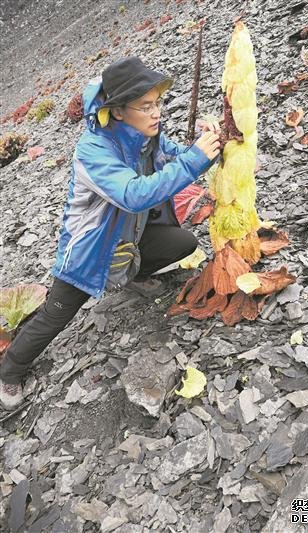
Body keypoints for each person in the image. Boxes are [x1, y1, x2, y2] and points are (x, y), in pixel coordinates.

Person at [0, 56, 220, 410]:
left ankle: (133, 274)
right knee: (55, 315)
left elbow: (176, 156)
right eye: (145, 105)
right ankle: (10, 370)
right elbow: (133, 195)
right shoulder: (93, 151)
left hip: (130, 235)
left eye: (158, 102)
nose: (156, 112)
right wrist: (193, 160)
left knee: (183, 243)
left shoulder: (147, 136)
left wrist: (207, 147)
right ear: (118, 111)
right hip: (89, 251)